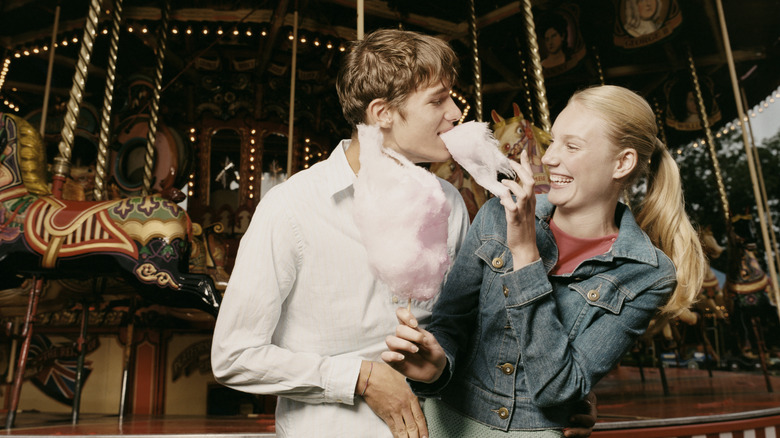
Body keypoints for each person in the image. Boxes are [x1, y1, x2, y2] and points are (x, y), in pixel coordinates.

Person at [211, 28, 596, 438]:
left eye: (451, 97)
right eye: (437, 100)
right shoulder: (291, 208)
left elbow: (467, 332)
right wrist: (361, 378)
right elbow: (235, 356)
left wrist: (555, 397)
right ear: (383, 114)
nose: (454, 113)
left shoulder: (447, 203)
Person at [383, 85, 705, 437]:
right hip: (445, 421)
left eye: (572, 146)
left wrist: (525, 253)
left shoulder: (647, 273)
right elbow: (450, 324)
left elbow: (559, 388)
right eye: (553, 141)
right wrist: (437, 366)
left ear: (622, 162)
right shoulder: (496, 214)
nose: (549, 157)